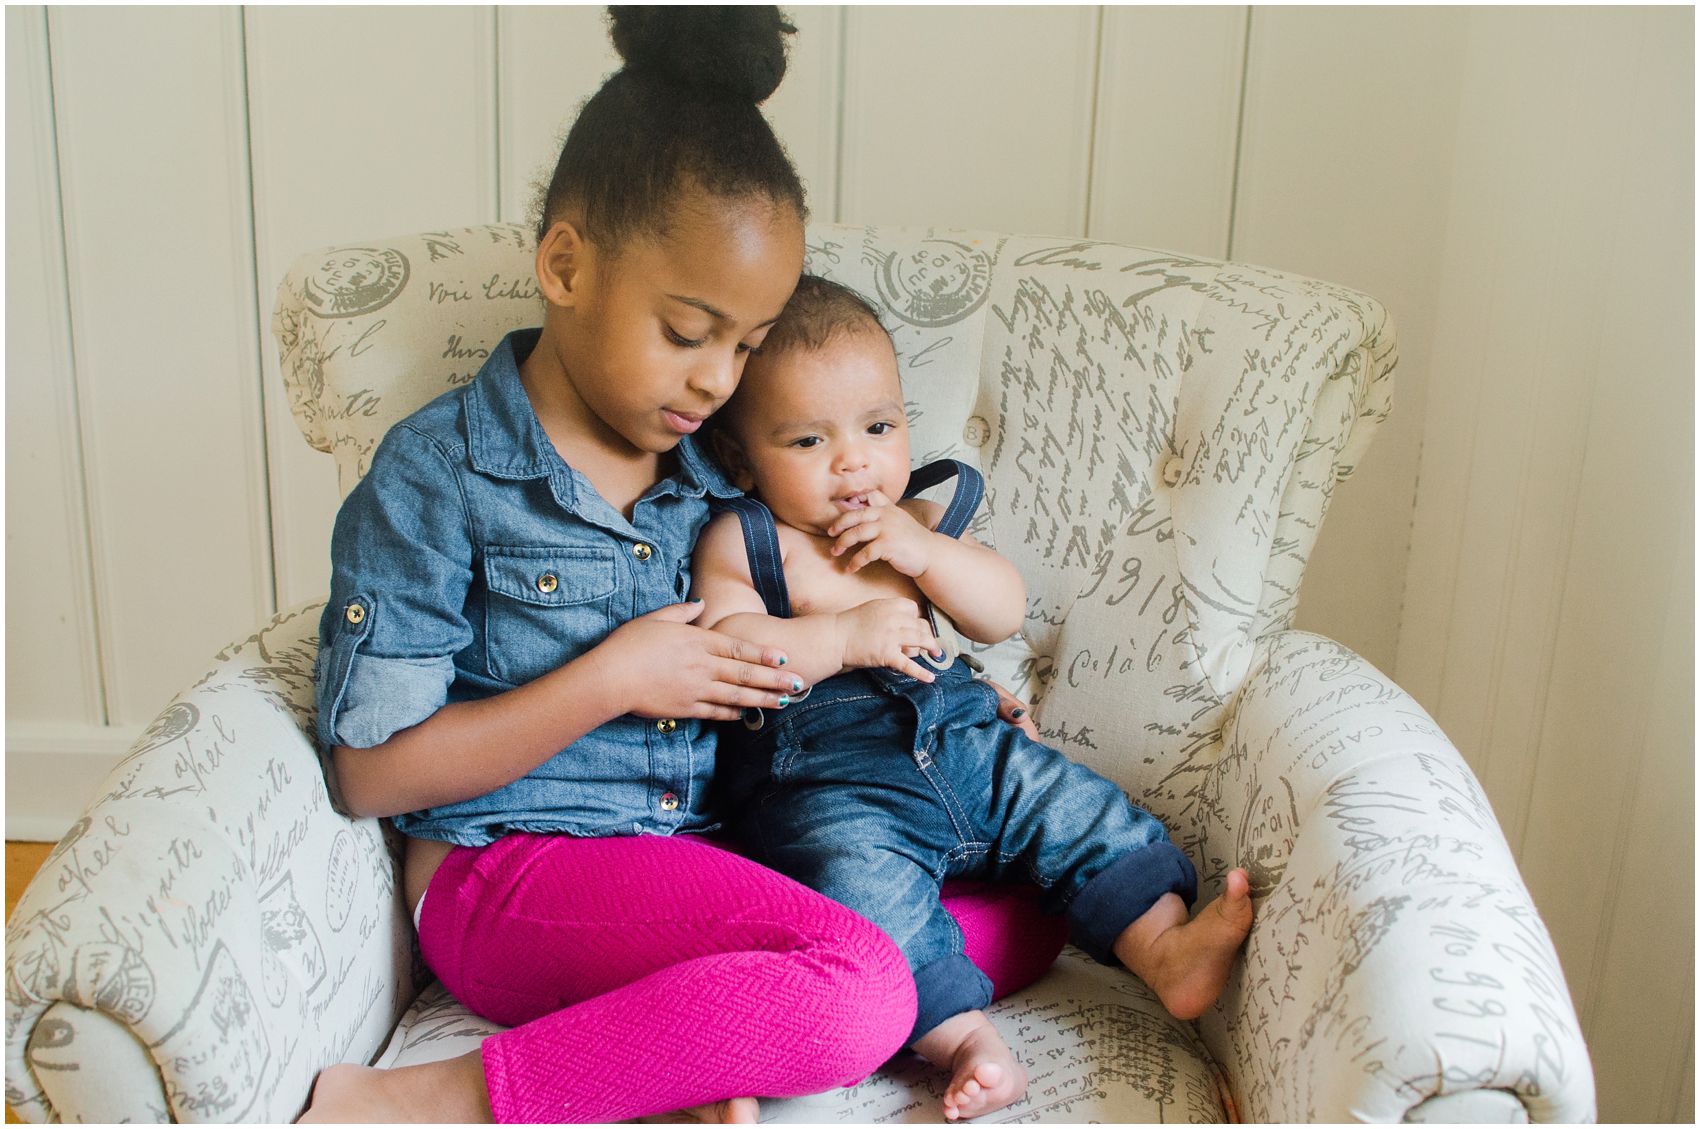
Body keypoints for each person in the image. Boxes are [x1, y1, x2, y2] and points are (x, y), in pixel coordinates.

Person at [299, 8, 1063, 1124]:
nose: (717, 379)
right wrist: (612, 679)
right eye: (687, 328)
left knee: (1031, 903)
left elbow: (822, 623)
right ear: (565, 264)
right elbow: (369, 774)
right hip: (512, 873)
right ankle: (420, 1097)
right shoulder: (438, 474)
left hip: (705, 849)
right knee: (868, 990)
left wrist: (952, 705)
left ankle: (687, 1047)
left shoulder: (721, 473)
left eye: (746, 344)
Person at [692, 274, 1257, 1122]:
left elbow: (1001, 609)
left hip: (969, 748)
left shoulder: (916, 520)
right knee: (863, 900)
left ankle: (1165, 947)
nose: (855, 461)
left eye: (878, 427)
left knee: (1072, 806)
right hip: (839, 791)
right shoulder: (748, 539)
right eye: (810, 441)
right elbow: (729, 654)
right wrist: (843, 638)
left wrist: (923, 554)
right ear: (742, 458)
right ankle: (964, 1040)